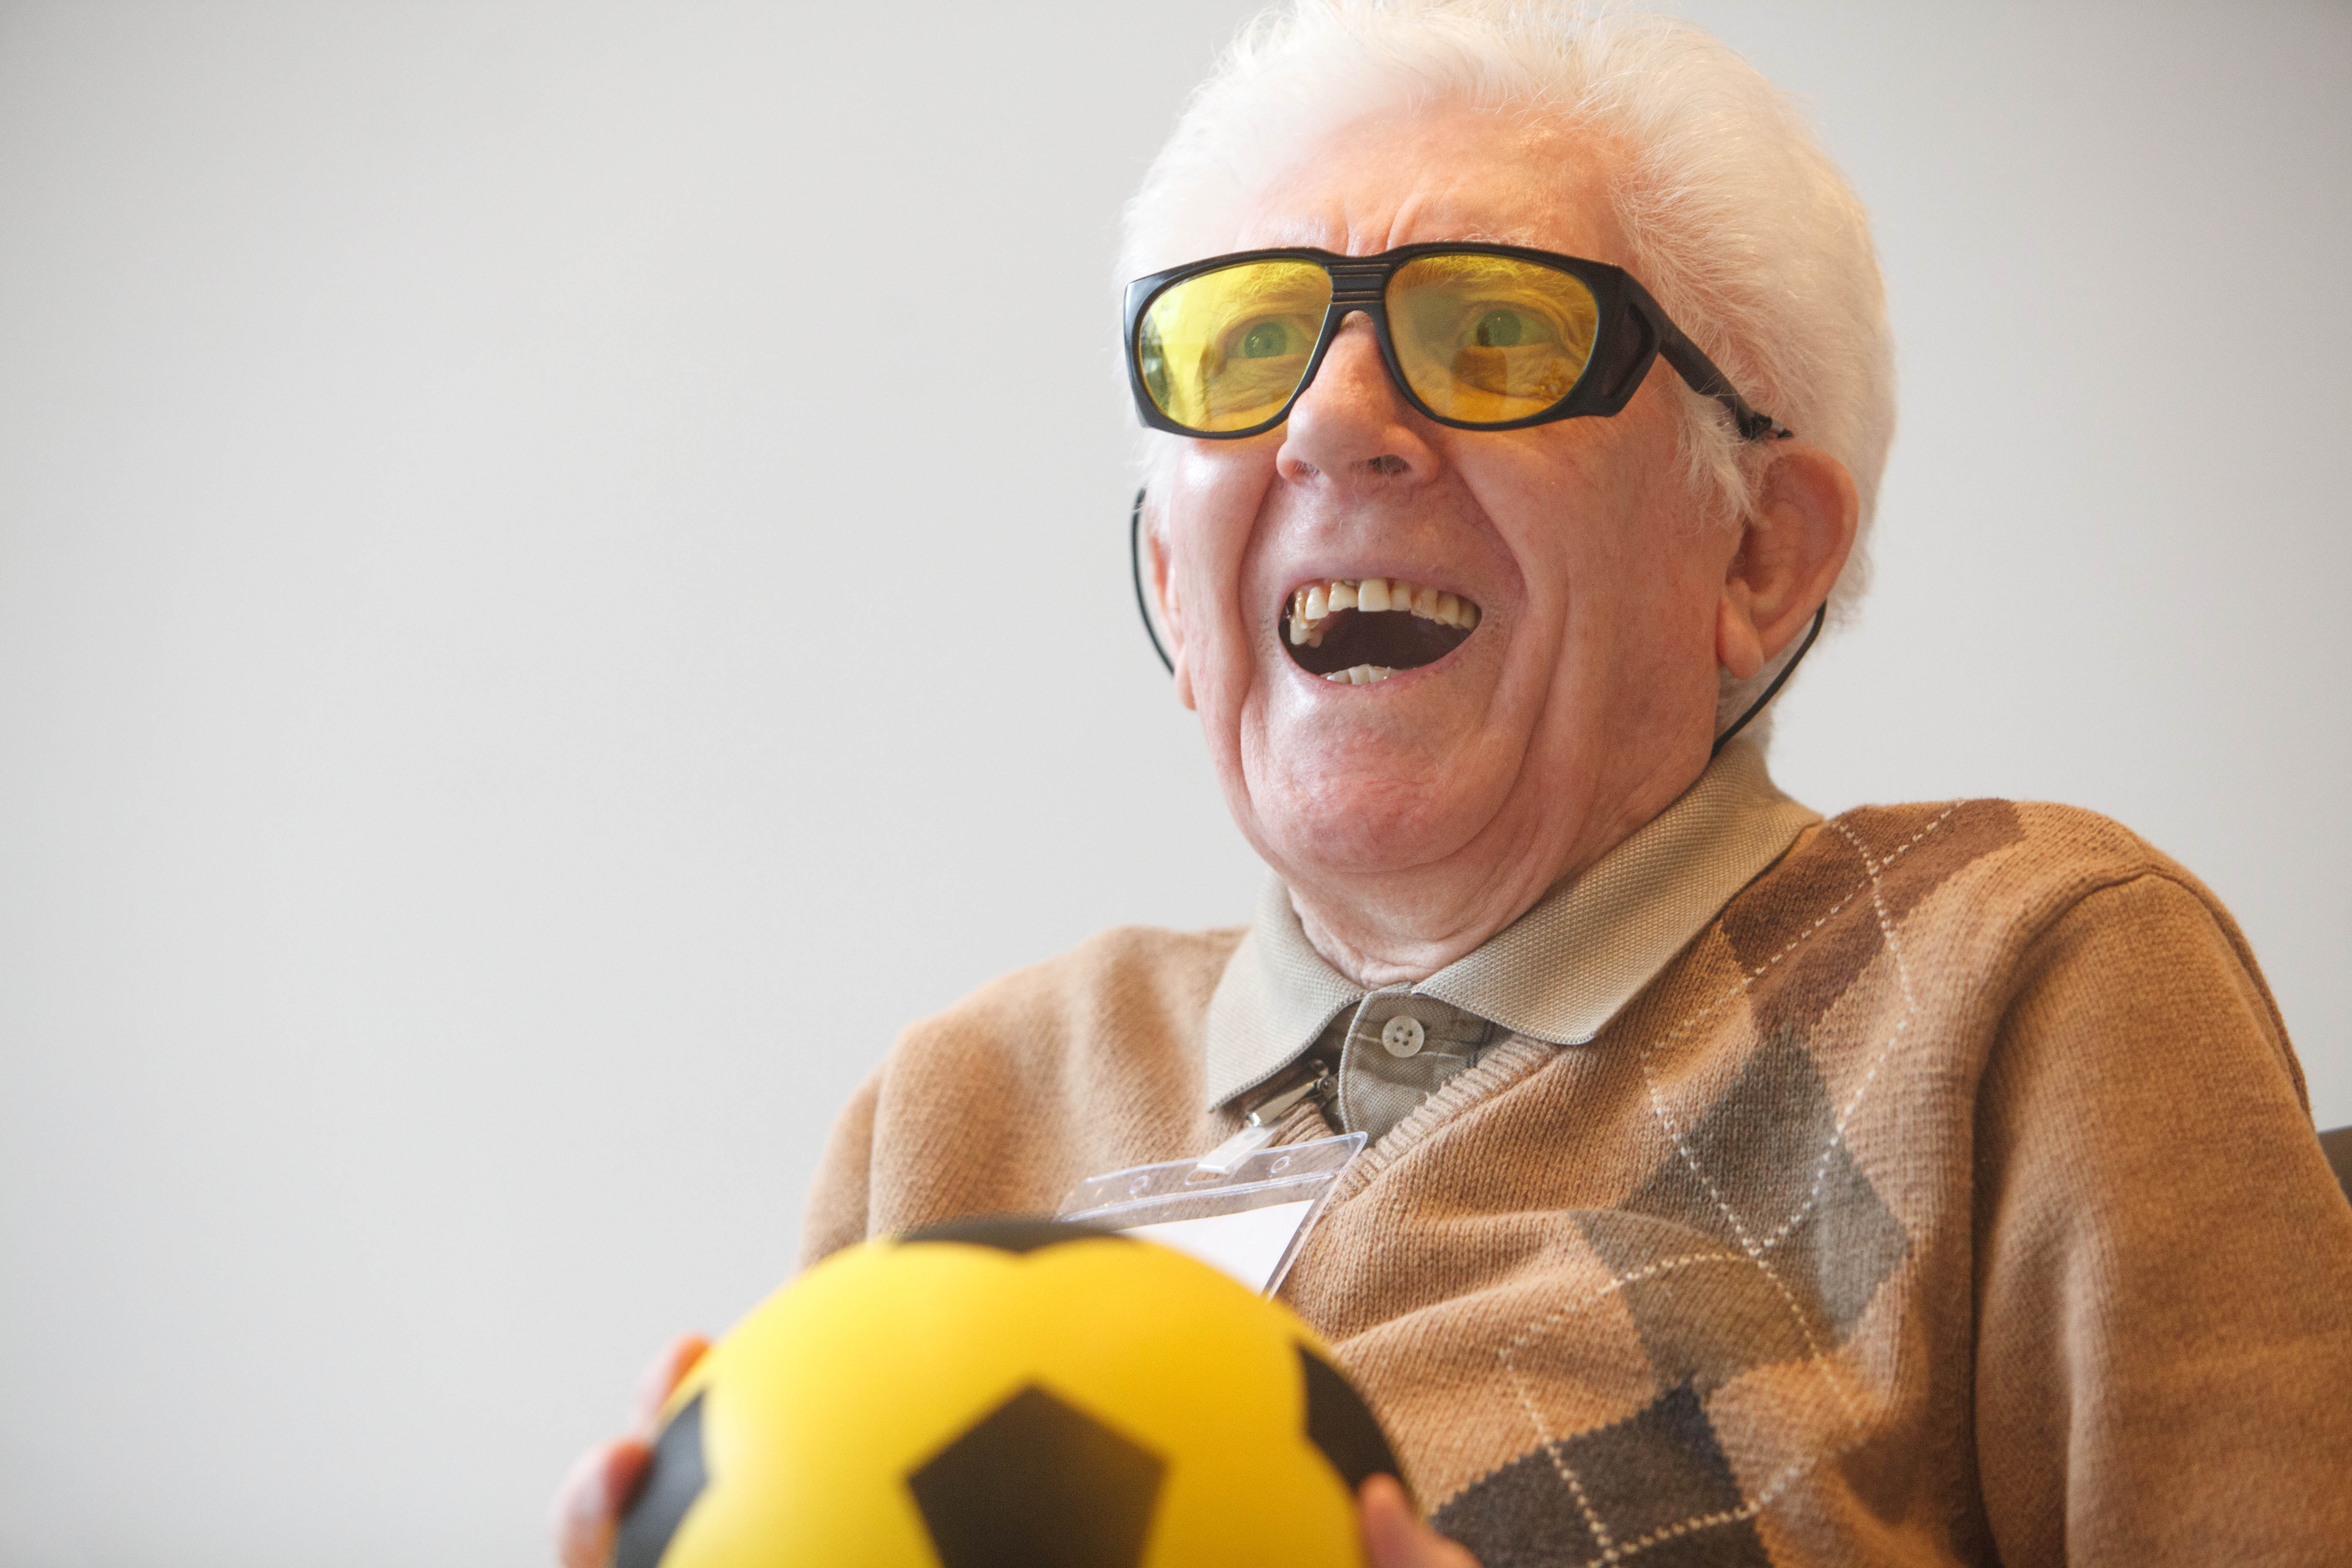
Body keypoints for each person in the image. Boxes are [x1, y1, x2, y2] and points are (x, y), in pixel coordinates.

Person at [555, 3, 2352, 1563]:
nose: (1331, 419)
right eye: (1247, 347)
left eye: (1493, 332)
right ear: (1176, 584)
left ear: (1758, 557)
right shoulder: (966, 1107)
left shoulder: (2023, 980)